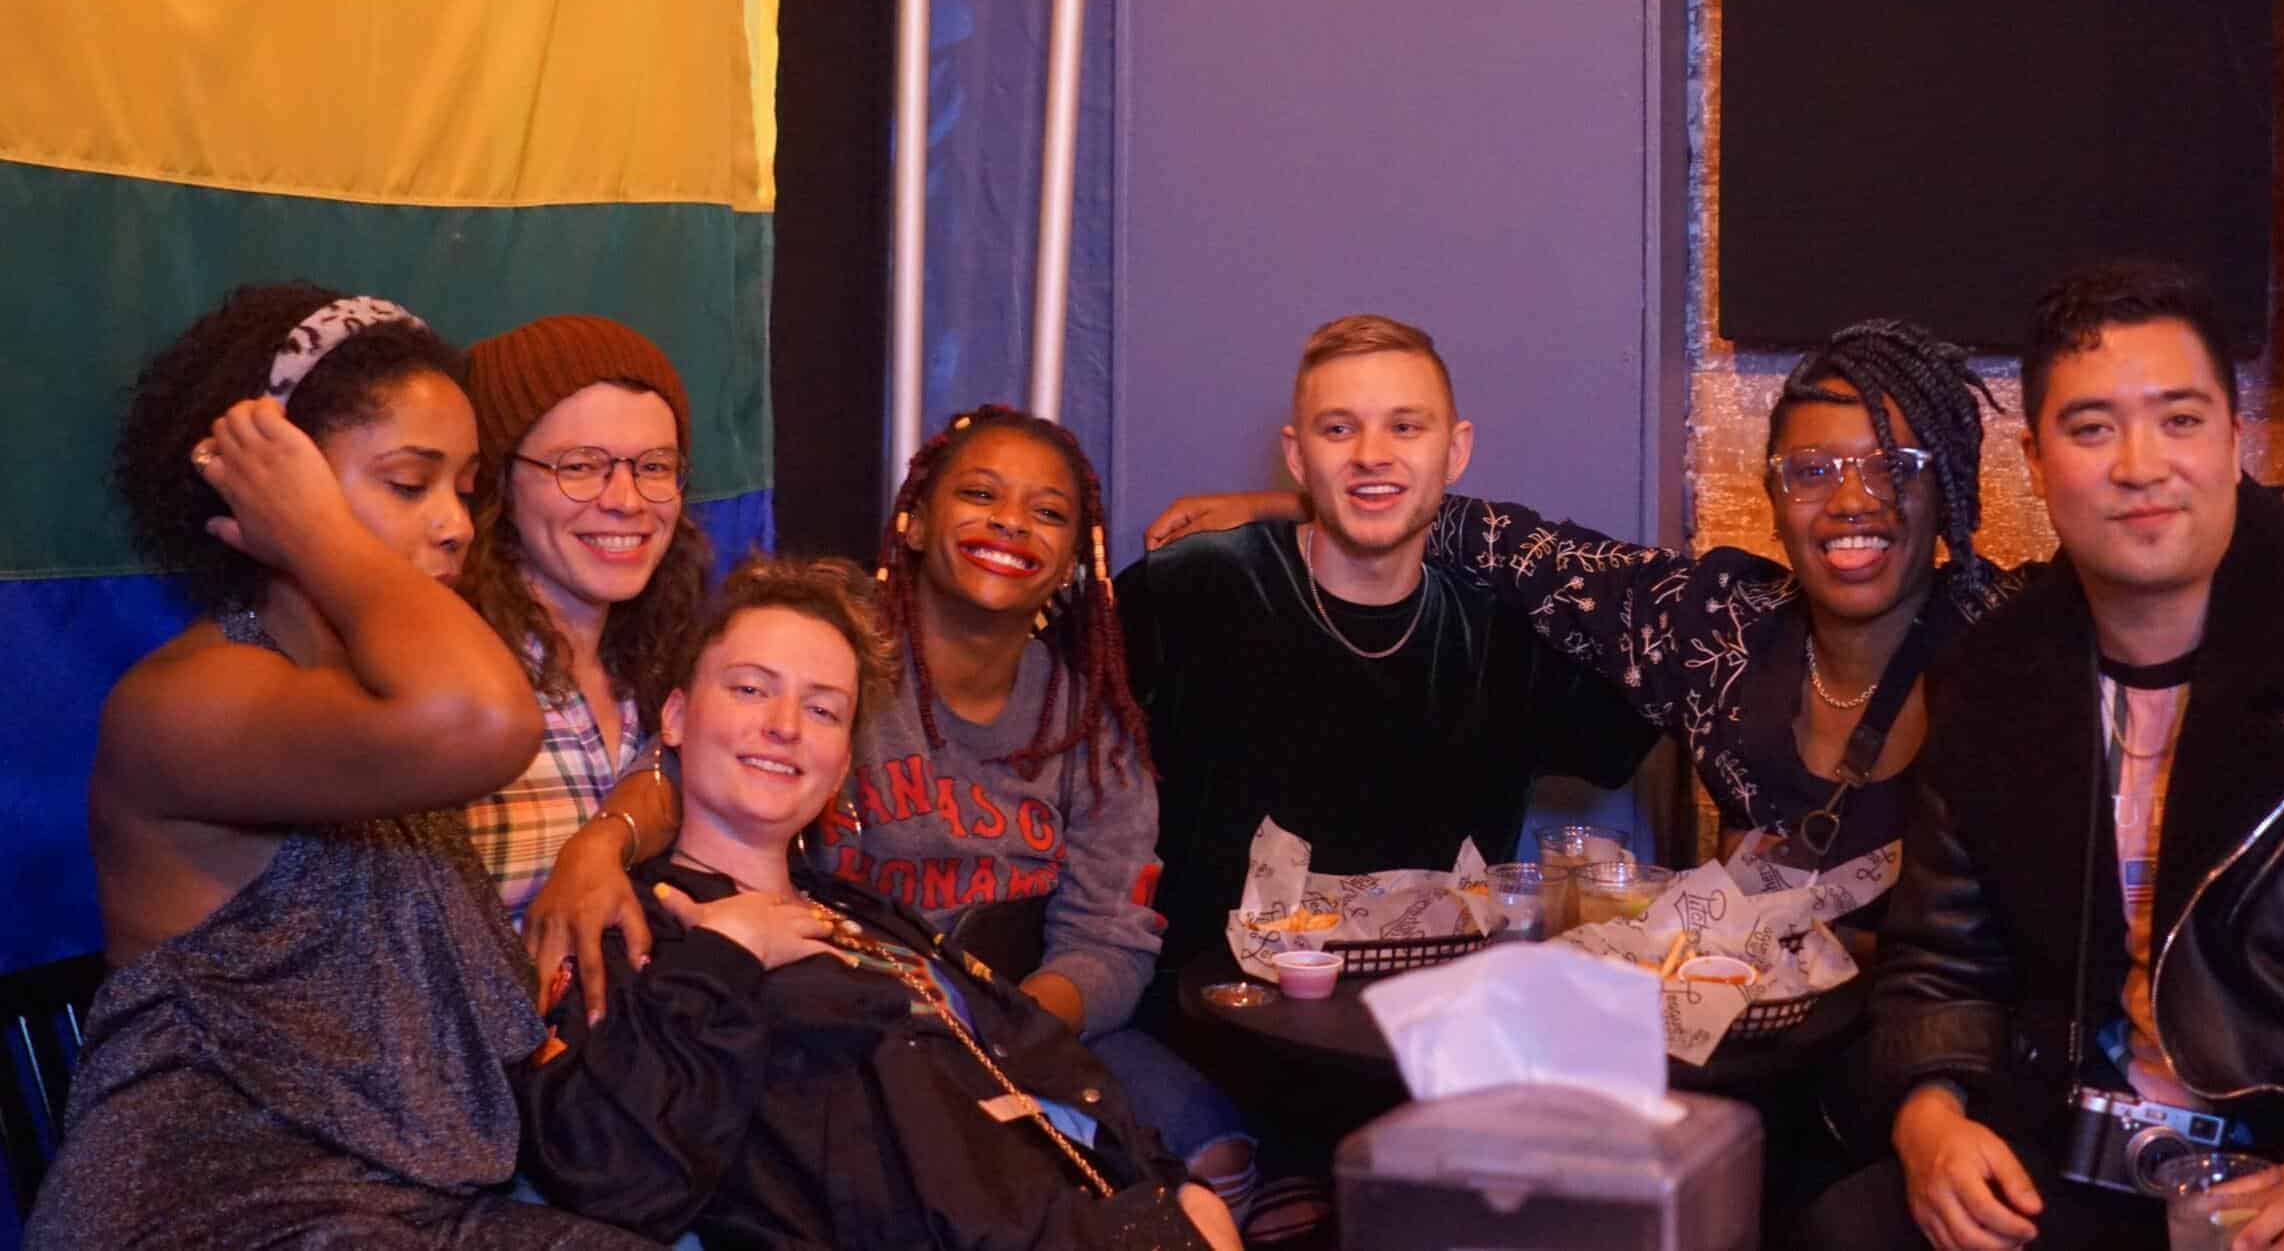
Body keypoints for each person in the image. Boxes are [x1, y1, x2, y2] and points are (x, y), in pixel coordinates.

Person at [1148, 317, 2284, 940]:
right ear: (1775, 493)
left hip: (1954, 1057)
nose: (1851, 501)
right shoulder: (1712, 623)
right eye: (1813, 469)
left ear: (1949, 494)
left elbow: (2239, 514)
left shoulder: (2012, 628)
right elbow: (1491, 532)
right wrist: (1295, 502)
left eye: (1891, 468)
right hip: (1754, 1050)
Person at [1836, 264, 2284, 1251]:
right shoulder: (1992, 678)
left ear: (2232, 439)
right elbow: (1939, 958)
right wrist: (1929, 1116)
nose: (2140, 466)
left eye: (2179, 420)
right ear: (2035, 460)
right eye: (2092, 428)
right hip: (2085, 1155)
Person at [29, 284, 646, 1249]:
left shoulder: (373, 695)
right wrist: (316, 532)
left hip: (410, 1207)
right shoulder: (188, 701)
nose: (455, 523)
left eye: (464, 488)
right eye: (408, 483)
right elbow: (487, 718)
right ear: (272, 490)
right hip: (214, 1209)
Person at [535, 408, 1262, 1227]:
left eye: (1047, 511)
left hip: (992, 1007)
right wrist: (601, 842)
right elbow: (694, 769)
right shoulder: (830, 656)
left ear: (1070, 561)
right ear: (913, 521)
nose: (1010, 522)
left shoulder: (1088, 723)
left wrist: (990, 1032)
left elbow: (1109, 940)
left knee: (1199, 1167)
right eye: (979, 494)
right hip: (855, 1016)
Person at [1121, 313, 1664, 987]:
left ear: (1455, 452)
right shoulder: (1191, 588)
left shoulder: (1506, 631)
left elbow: (1674, 644)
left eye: (1405, 427)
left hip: (1435, 1027)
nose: (1372, 453)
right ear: (1298, 455)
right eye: (1338, 429)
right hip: (1209, 1017)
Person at [458, 314, 712, 929]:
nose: (625, 500)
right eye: (578, 466)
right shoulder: (452, 677)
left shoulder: (673, 660)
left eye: (654, 467)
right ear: (498, 484)